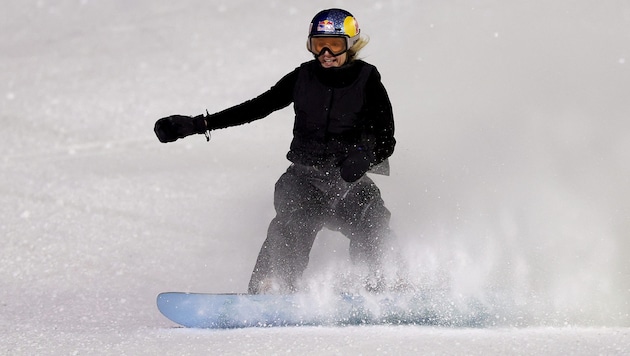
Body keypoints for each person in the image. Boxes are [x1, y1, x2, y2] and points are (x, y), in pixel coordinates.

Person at [154, 8, 398, 294]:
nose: (326, 53)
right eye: (319, 45)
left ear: (351, 45)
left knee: (373, 221)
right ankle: (272, 286)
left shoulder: (367, 80)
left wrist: (364, 155)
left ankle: (383, 284)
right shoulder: (303, 77)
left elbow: (386, 137)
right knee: (293, 222)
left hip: (349, 182)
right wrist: (199, 124)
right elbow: (258, 106)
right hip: (304, 180)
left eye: (335, 45)